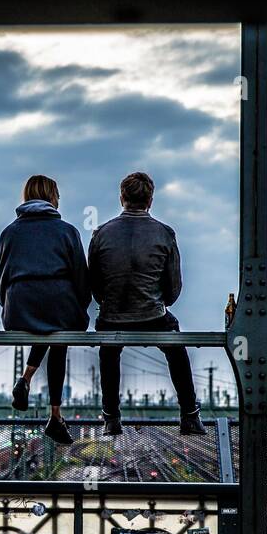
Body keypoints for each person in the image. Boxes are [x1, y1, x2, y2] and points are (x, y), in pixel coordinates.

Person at [89, 171, 205, 436]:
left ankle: (111, 418)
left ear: (121, 198)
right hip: (153, 315)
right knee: (176, 347)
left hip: (113, 316)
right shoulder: (165, 233)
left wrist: (110, 302)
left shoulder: (100, 234)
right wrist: (156, 301)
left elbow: (95, 286)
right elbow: (174, 289)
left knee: (109, 350)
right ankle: (189, 414)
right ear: (150, 200)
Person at [0, 174, 90, 445]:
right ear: (53, 197)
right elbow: (82, 281)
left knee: (45, 326)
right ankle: (55, 415)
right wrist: (79, 308)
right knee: (58, 332)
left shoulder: (9, 233)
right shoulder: (68, 232)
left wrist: (10, 305)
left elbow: (1, 279)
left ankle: (25, 380)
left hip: (19, 309)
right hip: (60, 308)